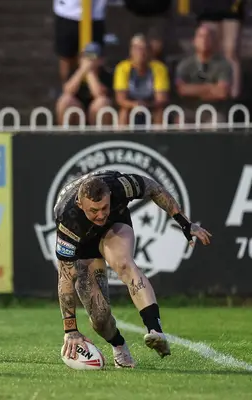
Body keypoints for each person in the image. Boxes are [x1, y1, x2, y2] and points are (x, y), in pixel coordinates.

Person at [55, 170, 212, 366]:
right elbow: (65, 276)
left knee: (123, 263)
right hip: (84, 246)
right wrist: (70, 331)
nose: (101, 214)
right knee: (100, 318)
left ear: (110, 197)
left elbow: (155, 189)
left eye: (104, 207)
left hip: (115, 226)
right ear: (80, 205)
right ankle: (119, 346)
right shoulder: (67, 220)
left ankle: (155, 330)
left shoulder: (120, 185)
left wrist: (185, 224)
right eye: (94, 211)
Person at [113, 34, 170, 126]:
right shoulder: (122, 68)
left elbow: (161, 99)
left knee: (160, 112)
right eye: (137, 48)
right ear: (131, 51)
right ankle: (122, 138)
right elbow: (120, 99)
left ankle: (158, 139)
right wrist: (134, 105)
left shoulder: (159, 68)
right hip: (130, 106)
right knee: (124, 112)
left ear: (149, 51)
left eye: (144, 48)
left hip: (151, 106)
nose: (141, 52)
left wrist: (146, 105)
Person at [55, 42, 113, 126]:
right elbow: (67, 91)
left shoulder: (106, 75)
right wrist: (82, 70)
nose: (89, 60)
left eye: (92, 56)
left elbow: (99, 94)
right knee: (65, 100)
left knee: (102, 102)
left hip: (94, 112)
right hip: (78, 111)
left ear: (100, 60)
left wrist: (90, 73)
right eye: (86, 56)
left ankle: (100, 136)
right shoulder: (74, 72)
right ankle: (65, 136)